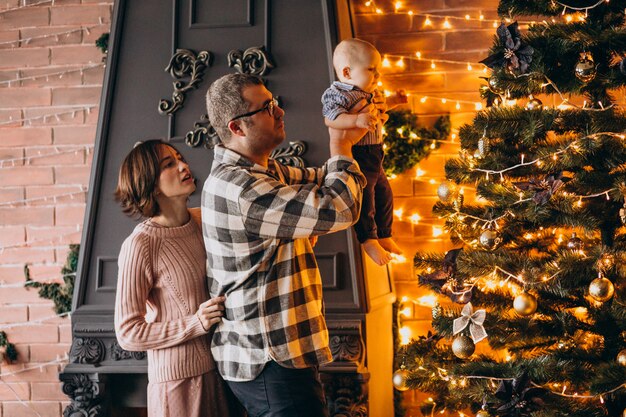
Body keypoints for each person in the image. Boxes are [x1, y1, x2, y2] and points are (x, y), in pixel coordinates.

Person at [202, 73, 367, 417]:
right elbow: (339, 206)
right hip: (268, 359)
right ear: (237, 128)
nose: (280, 112)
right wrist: (341, 145)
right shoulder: (244, 189)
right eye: (267, 108)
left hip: (278, 355)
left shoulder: (263, 172)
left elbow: (324, 178)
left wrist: (349, 123)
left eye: (274, 102)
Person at [113, 140, 242, 417]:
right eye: (169, 165)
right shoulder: (141, 245)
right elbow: (127, 333)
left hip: (223, 370)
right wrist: (194, 323)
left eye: (179, 158)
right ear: (151, 184)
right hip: (178, 385)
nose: (184, 166)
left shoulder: (203, 220)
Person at [322, 38, 407, 266]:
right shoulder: (338, 94)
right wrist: (356, 119)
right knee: (365, 198)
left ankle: (385, 234)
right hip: (358, 154)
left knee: (385, 194)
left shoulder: (369, 93)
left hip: (375, 154)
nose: (378, 75)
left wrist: (395, 101)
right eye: (371, 69)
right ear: (347, 72)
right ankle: (368, 239)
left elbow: (380, 109)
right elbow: (330, 118)